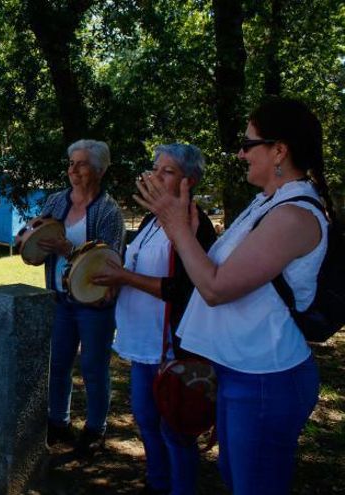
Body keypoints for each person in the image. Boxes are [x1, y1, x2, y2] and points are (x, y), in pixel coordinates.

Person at [135, 97, 332, 494]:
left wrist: (177, 228)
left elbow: (214, 288)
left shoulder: (294, 215)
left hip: (265, 378)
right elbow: (216, 272)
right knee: (236, 477)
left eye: (249, 144)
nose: (241, 153)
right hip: (241, 373)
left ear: (279, 150)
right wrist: (185, 231)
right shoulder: (267, 202)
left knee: (253, 485)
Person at [93, 144, 216, 494]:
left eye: (167, 171)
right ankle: (157, 482)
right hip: (141, 340)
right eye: (155, 168)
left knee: (175, 429)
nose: (155, 176)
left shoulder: (196, 223)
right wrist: (111, 281)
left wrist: (125, 279)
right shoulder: (151, 219)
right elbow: (135, 265)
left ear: (188, 181)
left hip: (173, 346)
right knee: (147, 420)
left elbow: (183, 289)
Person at [32, 139, 124, 454]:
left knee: (93, 366)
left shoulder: (109, 210)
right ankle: (59, 421)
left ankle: (95, 429)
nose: (73, 169)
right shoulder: (57, 201)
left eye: (81, 163)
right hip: (59, 297)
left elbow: (110, 260)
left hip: (95, 303)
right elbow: (36, 234)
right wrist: (31, 237)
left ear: (98, 170)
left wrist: (65, 249)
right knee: (57, 363)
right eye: (71, 163)